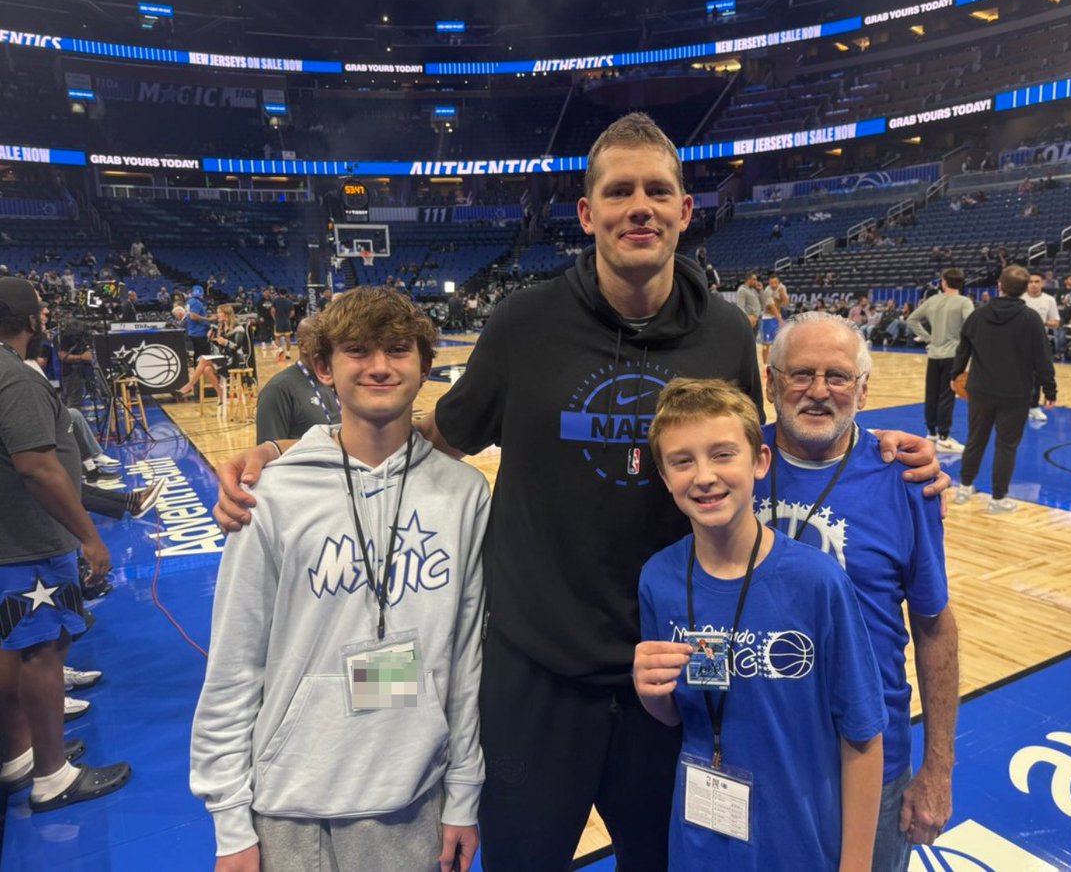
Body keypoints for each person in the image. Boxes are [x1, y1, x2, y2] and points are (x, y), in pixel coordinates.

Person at [214, 113, 945, 871]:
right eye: (620, 191)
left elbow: (750, 452)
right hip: (538, 679)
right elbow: (441, 431)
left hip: (672, 672)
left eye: (659, 191)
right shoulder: (524, 321)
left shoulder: (726, 331)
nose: (641, 207)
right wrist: (295, 448)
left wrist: (878, 453)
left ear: (685, 213)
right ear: (587, 212)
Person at [191, 287, 489, 872]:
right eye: (358, 350)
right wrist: (231, 824)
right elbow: (234, 660)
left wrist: (463, 795)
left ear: (425, 365)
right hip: (294, 808)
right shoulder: (271, 493)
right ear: (324, 368)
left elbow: (465, 664)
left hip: (415, 800)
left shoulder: (464, 495)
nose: (379, 366)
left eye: (398, 350)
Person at [634, 377, 885, 869]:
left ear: (760, 461)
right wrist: (650, 695)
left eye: (723, 454)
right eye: (682, 461)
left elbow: (863, 736)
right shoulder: (658, 579)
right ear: (665, 477)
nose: (704, 476)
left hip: (799, 843)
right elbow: (677, 714)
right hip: (701, 844)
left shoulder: (817, 582)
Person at [759, 314, 957, 871]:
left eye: (838, 376)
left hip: (869, 758)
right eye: (800, 373)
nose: (819, 391)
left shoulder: (907, 479)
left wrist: (938, 769)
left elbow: (935, 626)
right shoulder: (729, 464)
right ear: (770, 381)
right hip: (753, 750)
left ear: (864, 389)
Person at [0, 276, 131, 810]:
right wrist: (88, 534)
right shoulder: (17, 379)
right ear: (30, 320)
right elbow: (37, 466)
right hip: (28, 543)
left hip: (10, 539)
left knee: (14, 647)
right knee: (43, 650)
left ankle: (18, 755)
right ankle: (52, 775)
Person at [950, 266, 1057, 513]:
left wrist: (955, 375)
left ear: (999, 285)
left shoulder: (978, 315)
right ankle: (998, 499)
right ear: (1023, 290)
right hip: (1015, 393)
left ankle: (964, 488)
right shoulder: (1031, 319)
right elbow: (1043, 359)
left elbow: (962, 348)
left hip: (980, 390)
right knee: (1006, 446)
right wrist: (1050, 391)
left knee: (975, 439)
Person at [906, 269, 974, 452]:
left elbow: (912, 319)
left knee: (931, 394)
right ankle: (944, 438)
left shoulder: (933, 300)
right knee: (946, 396)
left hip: (934, 354)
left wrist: (928, 338)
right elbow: (971, 325)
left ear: (944, 282)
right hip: (953, 355)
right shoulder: (964, 302)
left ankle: (931, 434)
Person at [256, 316, 341, 442]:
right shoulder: (278, 390)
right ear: (303, 346)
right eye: (322, 341)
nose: (330, 347)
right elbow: (270, 452)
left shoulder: (341, 381)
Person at [174, 305, 249, 403]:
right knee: (207, 369)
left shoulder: (238, 328)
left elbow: (237, 346)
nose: (217, 315)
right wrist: (212, 338)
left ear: (226, 314)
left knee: (203, 360)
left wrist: (226, 342)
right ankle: (221, 393)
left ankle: (189, 386)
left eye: (219, 312)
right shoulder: (220, 327)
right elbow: (218, 346)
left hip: (234, 359)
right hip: (223, 357)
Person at [1020, 271, 1061, 418]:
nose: (1033, 284)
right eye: (1030, 282)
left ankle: (1034, 406)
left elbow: (1056, 322)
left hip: (1039, 342)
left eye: (1037, 281)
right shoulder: (1020, 299)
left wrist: (1040, 322)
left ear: (1042, 283)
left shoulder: (1049, 300)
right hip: (1018, 342)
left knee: (1037, 376)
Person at [184, 285, 211, 365]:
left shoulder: (189, 301)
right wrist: (207, 319)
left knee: (197, 354)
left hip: (192, 331)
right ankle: (202, 373)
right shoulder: (197, 302)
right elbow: (193, 316)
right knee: (203, 356)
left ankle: (198, 371)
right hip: (200, 333)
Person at [271, 289, 295, 361]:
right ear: (286, 293)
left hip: (278, 322)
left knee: (277, 338)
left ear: (279, 293)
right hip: (287, 322)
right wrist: (287, 318)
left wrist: (275, 318)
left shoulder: (275, 300)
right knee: (288, 339)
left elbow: (272, 311)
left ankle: (281, 350)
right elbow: (293, 313)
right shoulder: (290, 302)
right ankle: (288, 354)